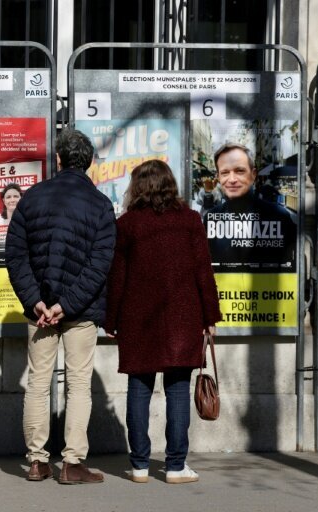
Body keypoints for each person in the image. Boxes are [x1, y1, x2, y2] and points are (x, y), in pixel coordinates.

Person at [5, 129, 116, 485]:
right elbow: (100, 265)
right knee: (79, 383)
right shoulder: (100, 205)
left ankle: (37, 462)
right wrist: (66, 305)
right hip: (79, 312)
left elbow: (15, 257)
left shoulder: (31, 199)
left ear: (57, 160)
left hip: (39, 311)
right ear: (91, 163)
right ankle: (72, 463)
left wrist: (37, 301)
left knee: (38, 382)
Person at [104, 160, 222, 485]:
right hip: (183, 320)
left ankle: (139, 465)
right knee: (178, 390)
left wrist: (110, 319)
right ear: (170, 185)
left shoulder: (126, 225)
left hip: (137, 320)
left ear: (138, 187)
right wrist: (210, 316)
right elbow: (203, 272)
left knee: (138, 390)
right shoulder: (190, 220)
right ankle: (175, 466)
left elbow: (118, 278)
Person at [203, 142, 296, 270]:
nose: (232, 179)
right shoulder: (211, 218)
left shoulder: (279, 216)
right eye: (224, 173)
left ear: (253, 175)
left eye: (239, 171)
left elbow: (290, 267)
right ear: (218, 177)